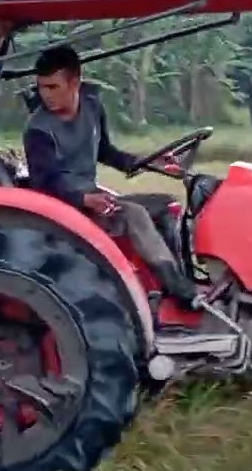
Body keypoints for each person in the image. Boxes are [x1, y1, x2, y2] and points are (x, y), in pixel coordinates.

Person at [21, 45, 200, 307]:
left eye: (53, 87)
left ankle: (176, 279)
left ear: (75, 82)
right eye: (42, 87)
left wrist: (148, 162)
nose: (46, 95)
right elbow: (45, 183)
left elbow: (105, 151)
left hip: (94, 199)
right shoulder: (38, 130)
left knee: (167, 205)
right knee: (134, 213)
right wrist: (84, 198)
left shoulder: (92, 108)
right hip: (67, 209)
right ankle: (181, 293)